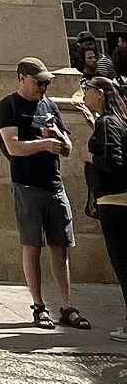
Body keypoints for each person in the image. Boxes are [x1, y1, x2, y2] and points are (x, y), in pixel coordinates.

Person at [0, 56, 90, 328]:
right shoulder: (9, 106)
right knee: (33, 245)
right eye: (39, 82)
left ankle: (67, 305)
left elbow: (68, 147)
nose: (43, 87)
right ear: (22, 78)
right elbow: (13, 147)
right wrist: (44, 143)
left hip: (54, 184)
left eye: (47, 83)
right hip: (27, 185)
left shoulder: (49, 106)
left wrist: (60, 140)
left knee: (60, 247)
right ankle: (38, 305)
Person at [82, 74, 127, 341]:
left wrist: (88, 156)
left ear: (99, 93)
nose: (84, 94)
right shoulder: (113, 121)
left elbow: (113, 162)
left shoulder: (109, 122)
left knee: (123, 264)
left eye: (86, 89)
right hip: (118, 201)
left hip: (115, 202)